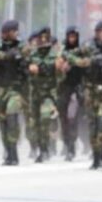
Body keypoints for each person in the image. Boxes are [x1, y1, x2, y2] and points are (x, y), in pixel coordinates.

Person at [67, 21, 102, 170]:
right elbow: (68, 55)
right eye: (100, 31)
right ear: (95, 33)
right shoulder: (87, 47)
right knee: (93, 124)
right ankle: (96, 155)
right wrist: (83, 62)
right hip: (90, 91)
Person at [0, 20, 26, 166]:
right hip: (0, 89)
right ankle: (8, 151)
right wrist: (6, 56)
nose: (16, 33)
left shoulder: (21, 45)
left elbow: (27, 52)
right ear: (7, 32)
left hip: (15, 89)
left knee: (12, 116)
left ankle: (14, 152)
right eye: (14, 30)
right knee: (3, 121)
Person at [25, 27, 60, 163]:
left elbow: (59, 71)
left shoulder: (55, 54)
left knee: (45, 118)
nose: (43, 40)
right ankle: (42, 148)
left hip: (49, 94)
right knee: (36, 124)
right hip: (34, 93)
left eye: (46, 37)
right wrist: (30, 68)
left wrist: (57, 68)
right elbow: (25, 67)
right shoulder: (32, 54)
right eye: (41, 38)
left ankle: (45, 149)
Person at [57, 26, 86, 161]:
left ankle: (72, 147)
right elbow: (56, 63)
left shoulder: (82, 50)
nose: (72, 39)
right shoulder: (61, 50)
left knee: (72, 116)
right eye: (70, 36)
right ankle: (67, 143)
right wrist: (61, 66)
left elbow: (84, 62)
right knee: (63, 119)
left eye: (74, 36)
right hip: (64, 87)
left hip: (77, 87)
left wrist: (72, 61)